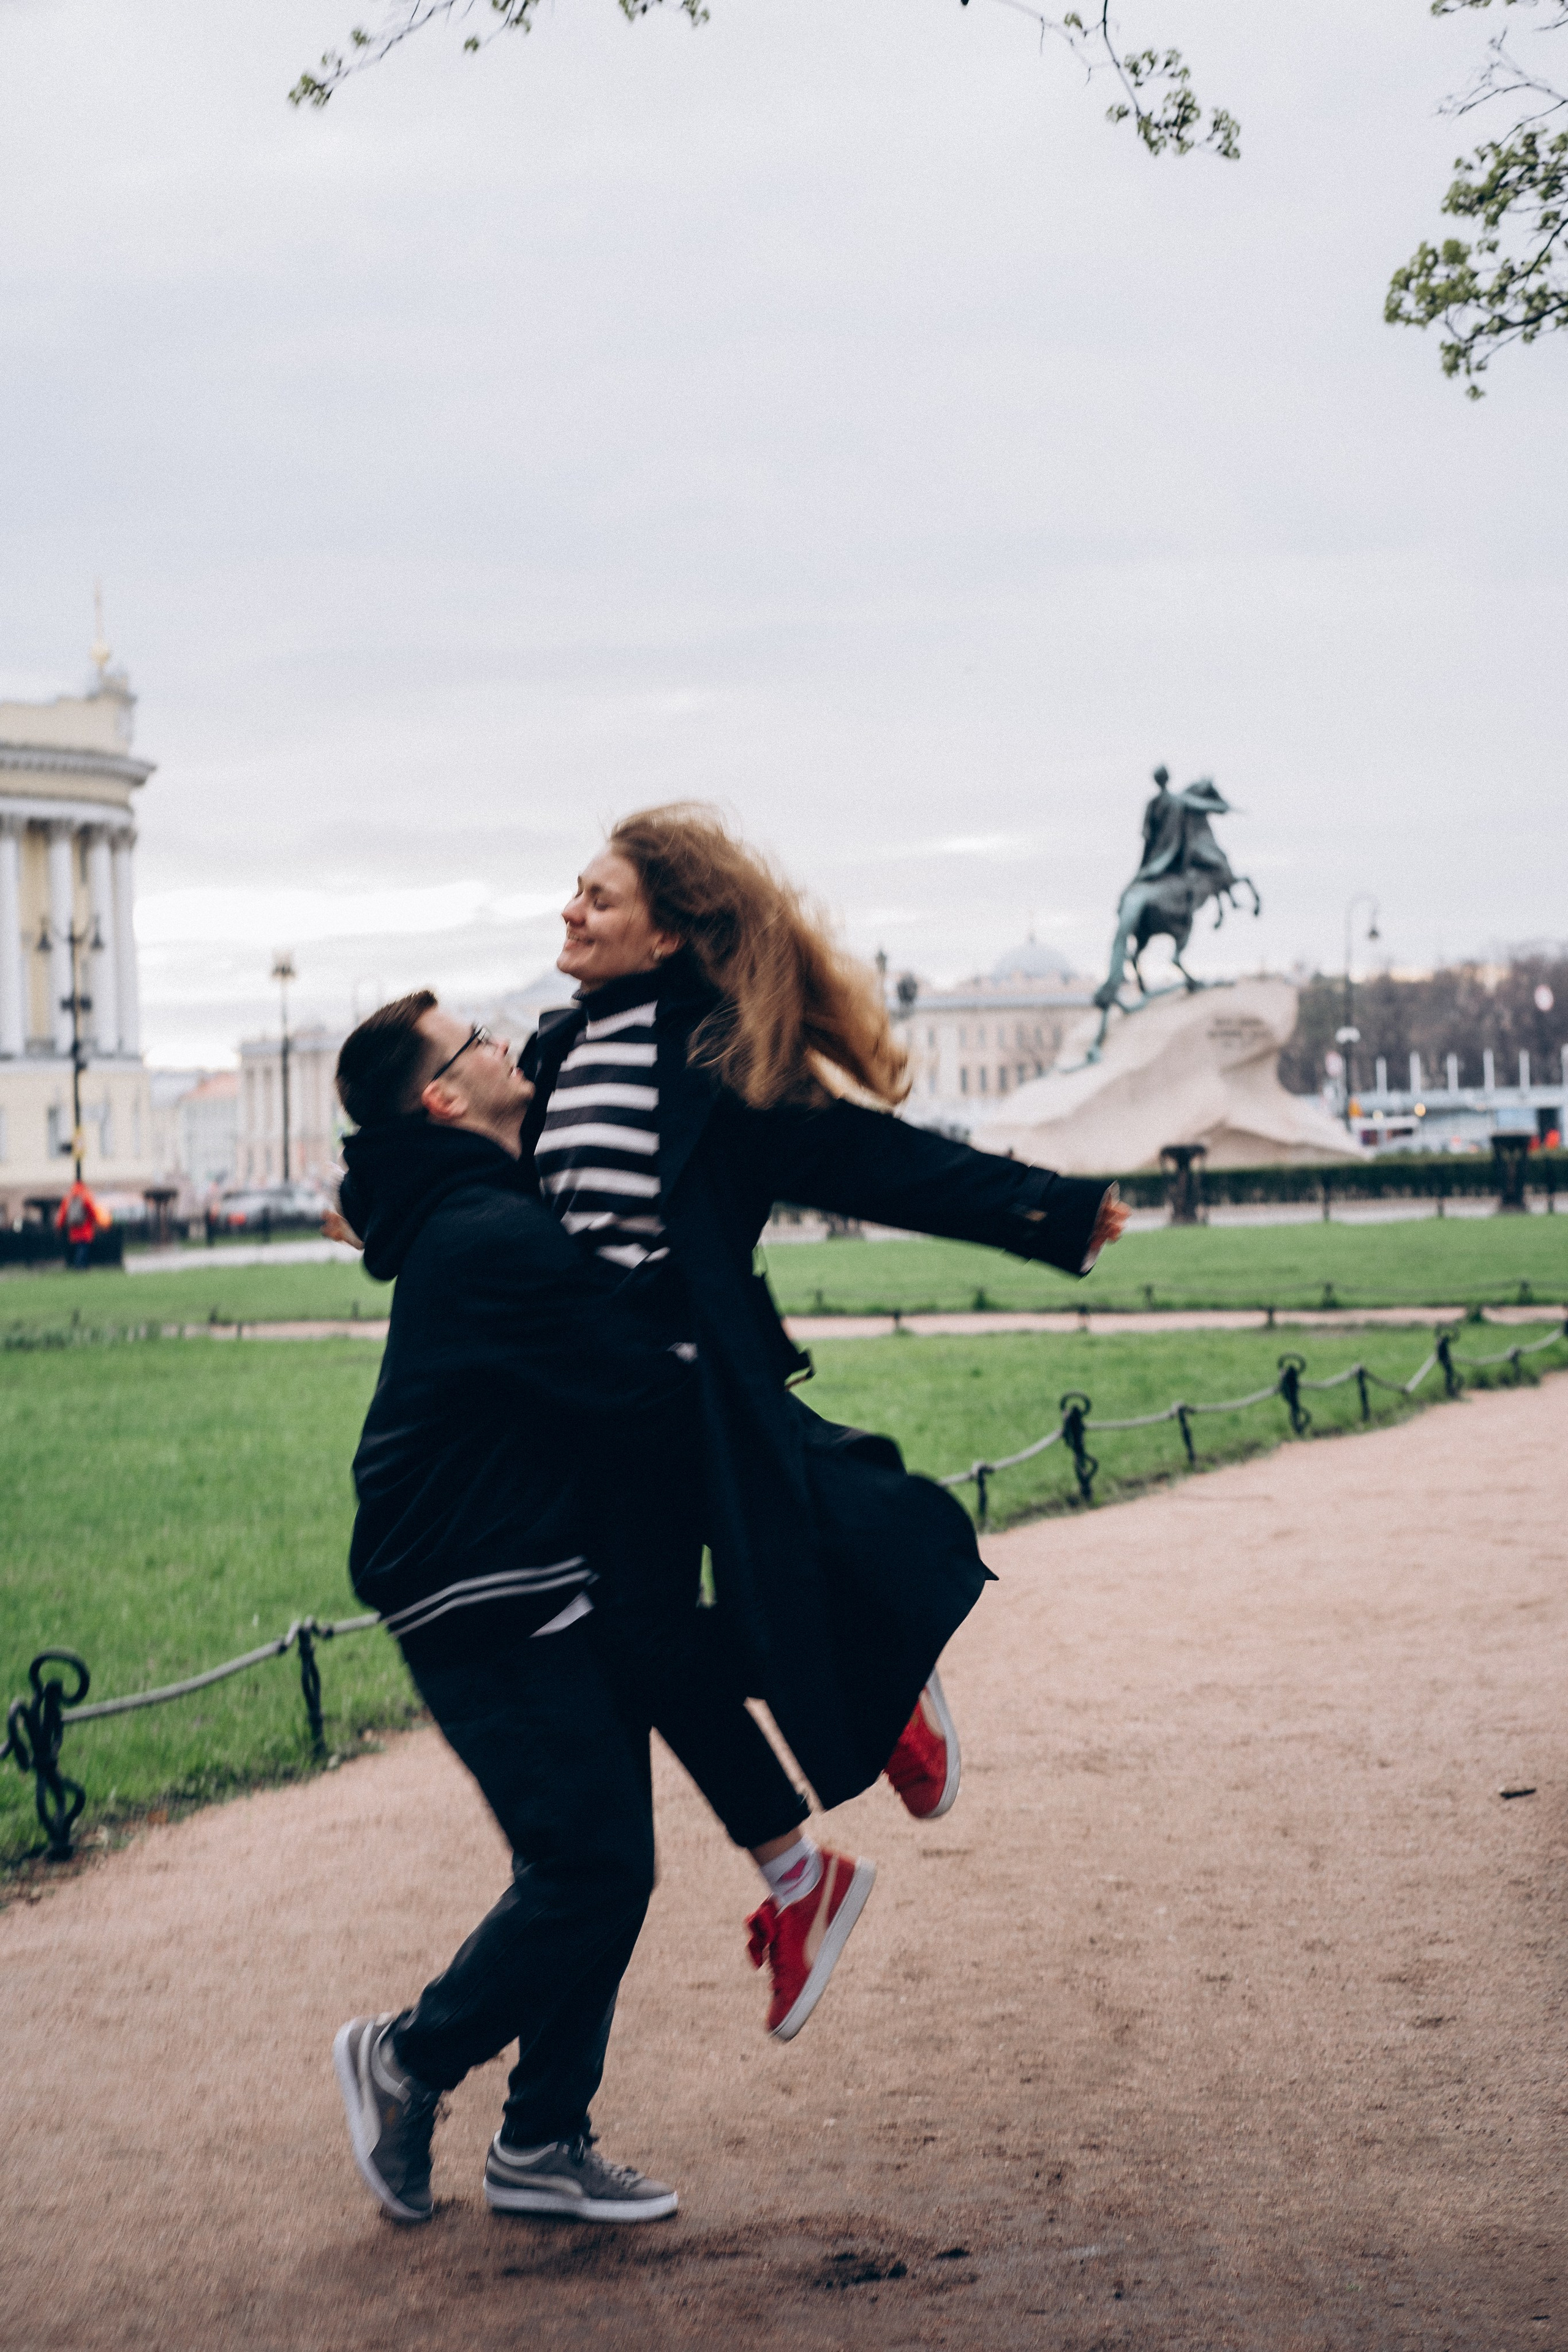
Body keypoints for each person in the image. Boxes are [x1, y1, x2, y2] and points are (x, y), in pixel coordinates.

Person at [328, 990, 993, 2226]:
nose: (503, 1043)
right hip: (476, 1589)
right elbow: (642, 1379)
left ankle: (539, 2138)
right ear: (444, 1099)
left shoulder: (483, 1205)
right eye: (476, 1043)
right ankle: (407, 2060)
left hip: (535, 1573)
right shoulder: (485, 1231)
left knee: (595, 1868)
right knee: (587, 1871)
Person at [524, 803, 1129, 1996]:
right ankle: (830, 1817)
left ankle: (823, 1828)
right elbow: (483, 1185)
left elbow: (876, 1163)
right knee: (633, 1643)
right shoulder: (552, 1052)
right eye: (573, 890)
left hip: (693, 1404)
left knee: (661, 1631)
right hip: (592, 1421)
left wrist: (1050, 1211)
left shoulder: (718, 1066)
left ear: (663, 940)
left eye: (598, 897)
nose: (570, 909)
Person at [56, 1178, 109, 1270]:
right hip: (85, 1227)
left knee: (78, 1247)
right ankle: (80, 1266)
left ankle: (78, 1265)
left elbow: (63, 1214)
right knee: (83, 1247)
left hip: (73, 1228)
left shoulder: (68, 1198)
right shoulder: (86, 1197)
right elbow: (92, 1211)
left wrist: (59, 1226)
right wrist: (98, 1222)